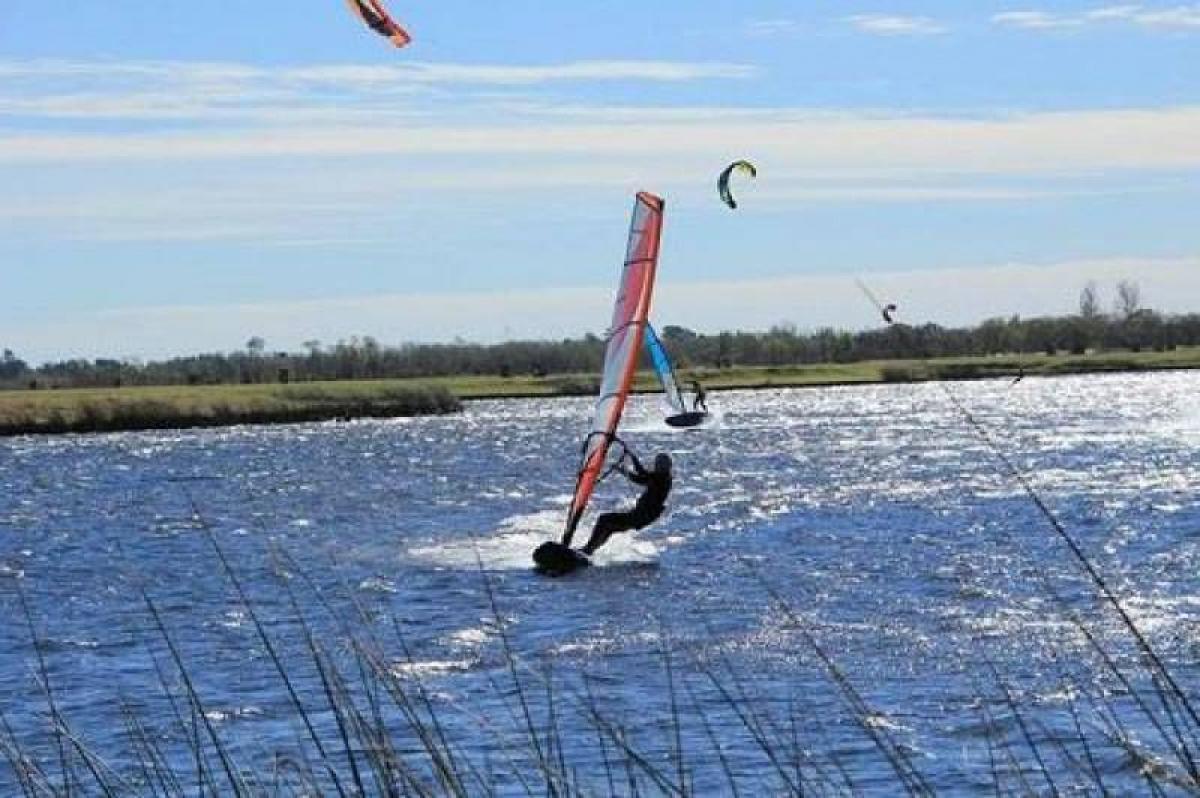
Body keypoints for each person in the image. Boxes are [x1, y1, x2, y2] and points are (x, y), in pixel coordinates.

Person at [581, 452, 673, 556]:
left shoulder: (662, 479)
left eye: (659, 464)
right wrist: (629, 463)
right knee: (609, 528)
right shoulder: (660, 477)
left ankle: (588, 549)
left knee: (604, 519)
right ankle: (589, 550)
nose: (656, 466)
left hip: (639, 518)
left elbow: (642, 476)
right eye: (656, 464)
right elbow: (642, 477)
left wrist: (631, 461)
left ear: (667, 466)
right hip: (640, 517)